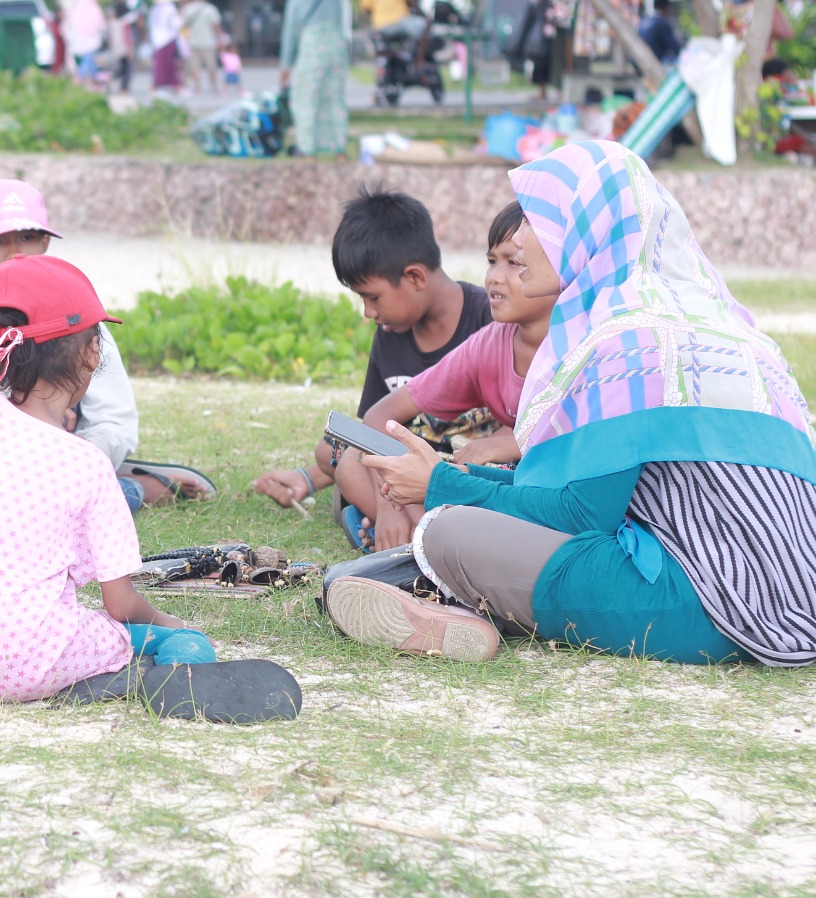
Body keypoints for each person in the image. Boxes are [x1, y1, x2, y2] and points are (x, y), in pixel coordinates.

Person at [327, 140, 816, 668]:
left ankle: (447, 603)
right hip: (792, 589)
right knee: (458, 509)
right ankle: (447, 596)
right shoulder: (725, 327)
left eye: (539, 219)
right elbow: (577, 492)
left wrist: (441, 486)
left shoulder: (625, 339)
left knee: (449, 530)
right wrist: (445, 475)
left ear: (584, 233)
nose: (521, 236)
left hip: (711, 605)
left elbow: (582, 515)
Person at [0, 254, 301, 722]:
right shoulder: (86, 463)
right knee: (182, 641)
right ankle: (142, 676)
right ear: (91, 353)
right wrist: (170, 622)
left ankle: (107, 674)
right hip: (25, 662)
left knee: (86, 630)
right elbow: (120, 604)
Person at [0, 178, 209, 511]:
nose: (15, 252)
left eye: (27, 237)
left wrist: (75, 457)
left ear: (45, 243)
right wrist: (21, 407)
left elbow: (115, 422)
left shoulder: (76, 309)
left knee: (64, 504)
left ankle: (121, 487)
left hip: (66, 451)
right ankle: (130, 488)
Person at [252, 185, 490, 548]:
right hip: (397, 471)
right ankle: (409, 535)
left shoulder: (488, 321)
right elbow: (369, 432)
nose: (368, 312)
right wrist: (385, 500)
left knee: (348, 465)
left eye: (372, 296)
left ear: (414, 278)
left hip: (462, 470)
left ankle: (395, 535)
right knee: (336, 453)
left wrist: (384, 497)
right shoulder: (390, 334)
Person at [337, 202, 548, 551]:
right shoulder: (489, 344)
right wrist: (392, 507)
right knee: (348, 461)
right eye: (491, 261)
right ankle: (416, 536)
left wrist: (513, 440)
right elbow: (376, 418)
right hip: (477, 472)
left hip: (538, 487)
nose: (495, 276)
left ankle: (415, 539)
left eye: (515, 262)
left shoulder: (583, 346)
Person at [279, 0, 350, 159]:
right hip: (337, 44)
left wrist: (286, 64)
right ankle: (340, 151)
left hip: (313, 44)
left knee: (305, 100)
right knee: (335, 100)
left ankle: (308, 151)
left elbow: (290, 31)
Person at [179, 0, 221, 93]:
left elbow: (182, 26)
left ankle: (197, 88)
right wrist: (219, 39)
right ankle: (214, 87)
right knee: (211, 66)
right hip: (209, 42)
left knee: (195, 67)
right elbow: (216, 26)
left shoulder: (187, 9)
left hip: (192, 42)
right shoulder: (211, 9)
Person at [64, 0, 109, 87]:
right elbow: (101, 24)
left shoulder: (77, 7)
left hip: (80, 41)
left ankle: (91, 81)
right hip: (91, 40)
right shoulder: (93, 7)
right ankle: (80, 78)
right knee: (88, 60)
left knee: (88, 61)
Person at [147, 0, 181, 95]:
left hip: (157, 39)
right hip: (167, 38)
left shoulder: (154, 9)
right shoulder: (169, 8)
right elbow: (176, 23)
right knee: (169, 64)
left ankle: (161, 86)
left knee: (160, 65)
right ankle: (164, 86)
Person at [638, 0, 685, 65]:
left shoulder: (645, 20)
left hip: (640, 61)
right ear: (666, 7)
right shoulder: (662, 22)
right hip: (656, 61)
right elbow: (675, 47)